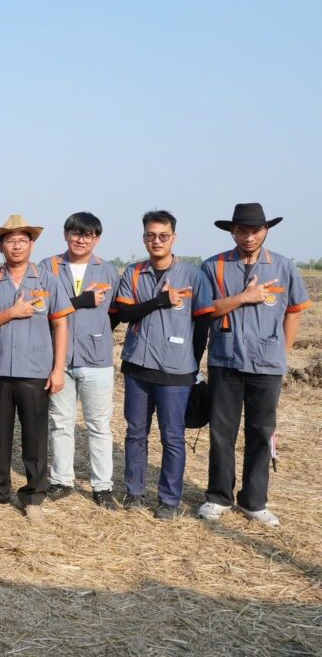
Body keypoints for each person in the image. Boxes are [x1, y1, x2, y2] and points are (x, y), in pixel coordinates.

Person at [196, 204, 312, 527]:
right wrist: (244, 297)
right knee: (222, 432)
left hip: (267, 365)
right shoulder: (213, 266)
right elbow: (206, 310)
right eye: (242, 231)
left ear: (266, 230)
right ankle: (218, 497)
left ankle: (254, 501)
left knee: (261, 432)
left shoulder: (284, 266)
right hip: (225, 360)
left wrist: (281, 354)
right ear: (232, 232)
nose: (249, 237)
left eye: (255, 230)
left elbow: (294, 312)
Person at [114, 211, 215, 520]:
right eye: (150, 235)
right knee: (135, 433)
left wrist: (191, 364)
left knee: (172, 437)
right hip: (138, 367)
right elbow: (125, 314)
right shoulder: (134, 273)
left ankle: (169, 500)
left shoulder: (193, 276)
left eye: (163, 235)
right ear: (143, 237)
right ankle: (134, 492)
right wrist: (160, 300)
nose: (156, 241)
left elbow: (202, 324)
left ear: (174, 238)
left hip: (176, 372)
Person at [0, 215, 73, 522]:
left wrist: (58, 369)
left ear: (32, 245)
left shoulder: (48, 281)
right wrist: (10, 313)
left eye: (22, 240)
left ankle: (33, 495)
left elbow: (60, 325)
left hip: (35, 370)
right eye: (10, 241)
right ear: (0, 246)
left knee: (35, 436)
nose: (16, 246)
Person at [37, 213, 121, 509]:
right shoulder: (47, 267)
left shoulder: (108, 271)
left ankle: (102, 486)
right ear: (65, 235)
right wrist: (81, 301)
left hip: (96, 359)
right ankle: (62, 480)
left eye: (88, 235)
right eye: (75, 233)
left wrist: (95, 332)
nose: (81, 239)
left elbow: (114, 315)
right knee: (61, 422)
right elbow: (41, 307)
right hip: (58, 359)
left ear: (97, 239)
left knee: (99, 425)